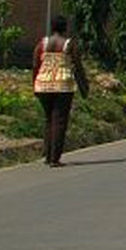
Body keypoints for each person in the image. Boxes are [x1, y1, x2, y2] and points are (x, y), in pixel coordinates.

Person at [32, 15, 89, 167]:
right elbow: (78, 67)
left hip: (43, 84)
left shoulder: (42, 44)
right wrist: (84, 87)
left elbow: (35, 65)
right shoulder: (68, 44)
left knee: (48, 119)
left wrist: (34, 84)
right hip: (63, 85)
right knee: (59, 120)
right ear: (65, 28)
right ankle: (54, 158)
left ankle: (47, 155)